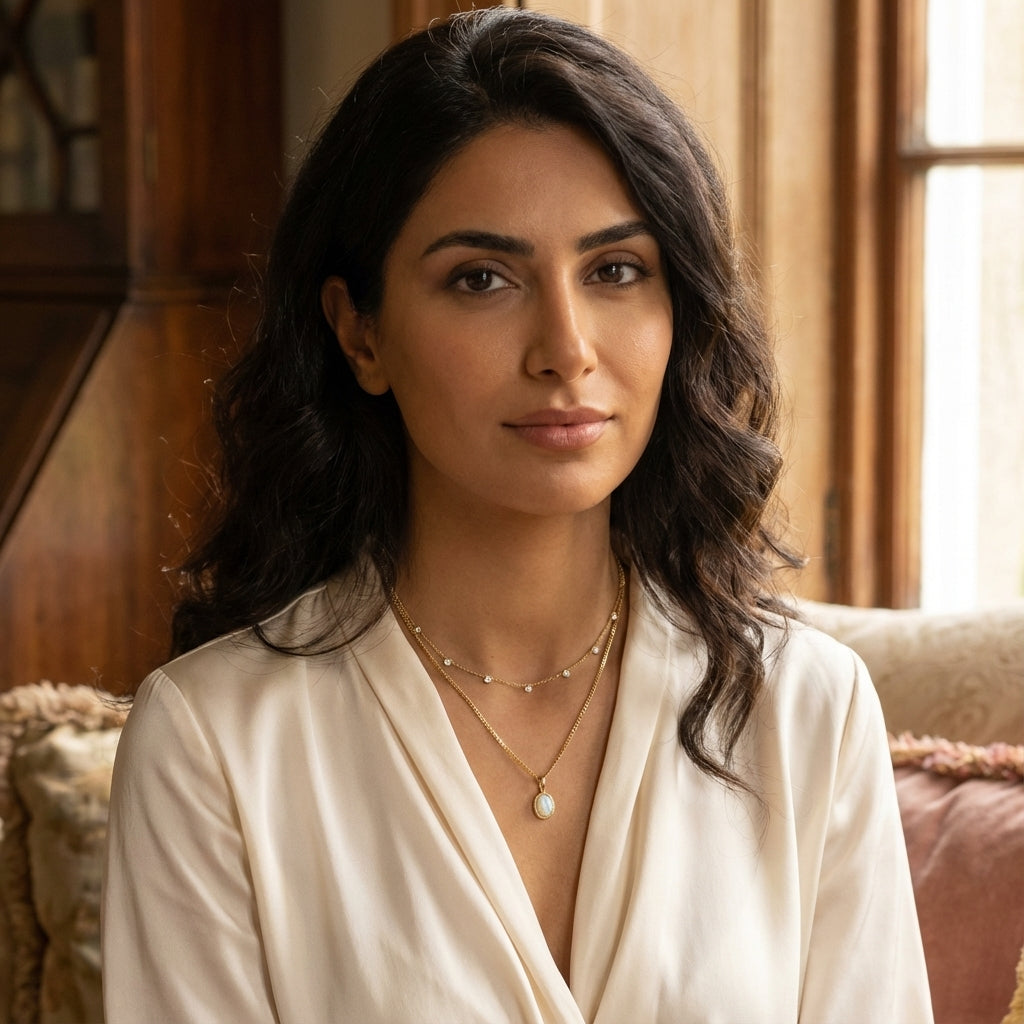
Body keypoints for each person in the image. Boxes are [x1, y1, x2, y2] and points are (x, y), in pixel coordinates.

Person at [102, 8, 933, 1022]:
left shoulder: (803, 710)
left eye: (615, 271)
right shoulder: (214, 741)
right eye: (482, 279)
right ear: (358, 332)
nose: (566, 348)